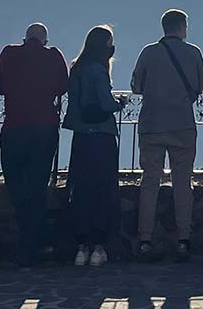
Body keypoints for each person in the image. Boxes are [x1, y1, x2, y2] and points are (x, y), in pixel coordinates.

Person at [130, 9, 203, 261]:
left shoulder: (148, 52)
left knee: (150, 182)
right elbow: (199, 86)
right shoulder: (194, 53)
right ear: (183, 27)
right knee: (183, 183)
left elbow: (136, 86)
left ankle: (144, 239)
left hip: (151, 124)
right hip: (182, 124)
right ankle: (184, 238)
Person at [0, 22, 70, 267]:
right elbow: (63, 86)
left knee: (15, 184)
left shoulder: (8, 53)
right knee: (37, 186)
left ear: (25, 38)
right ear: (44, 40)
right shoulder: (54, 56)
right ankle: (34, 244)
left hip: (14, 127)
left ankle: (28, 242)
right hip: (44, 128)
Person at [64, 25, 128, 267]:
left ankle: (80, 247)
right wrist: (119, 103)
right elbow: (105, 103)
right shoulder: (98, 71)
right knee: (102, 190)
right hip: (101, 137)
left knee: (80, 190)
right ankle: (99, 247)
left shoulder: (77, 68)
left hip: (81, 136)